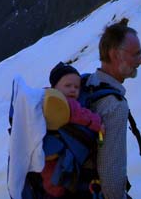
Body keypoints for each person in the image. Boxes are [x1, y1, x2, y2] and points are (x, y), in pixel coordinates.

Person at [86, 19, 141, 199]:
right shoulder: (114, 106)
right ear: (114, 55)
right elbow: (111, 182)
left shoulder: (86, 84)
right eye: (136, 54)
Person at [41, 62, 104, 197]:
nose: (73, 90)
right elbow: (82, 116)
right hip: (54, 150)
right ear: (55, 87)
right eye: (68, 86)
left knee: (48, 174)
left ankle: (53, 191)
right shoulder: (66, 102)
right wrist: (98, 124)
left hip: (46, 149)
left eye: (77, 87)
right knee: (54, 177)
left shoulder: (43, 98)